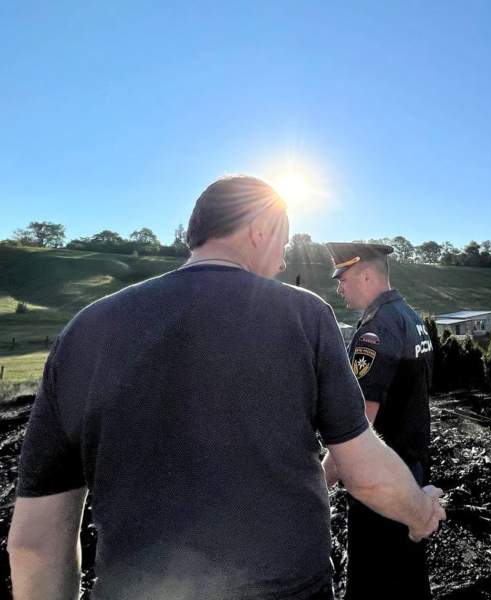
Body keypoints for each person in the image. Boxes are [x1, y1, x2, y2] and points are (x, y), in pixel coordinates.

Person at [8, 175, 445, 600]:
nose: (280, 262)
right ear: (258, 231)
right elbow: (362, 464)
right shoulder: (303, 316)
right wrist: (421, 511)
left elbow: (34, 543)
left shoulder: (85, 331)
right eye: (282, 243)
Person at [323, 242, 435, 599]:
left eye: (343, 278)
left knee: (373, 583)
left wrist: (320, 481)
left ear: (367, 274)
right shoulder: (411, 318)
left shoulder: (376, 329)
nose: (339, 287)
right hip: (412, 472)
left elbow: (357, 426)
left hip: (381, 482)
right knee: (407, 578)